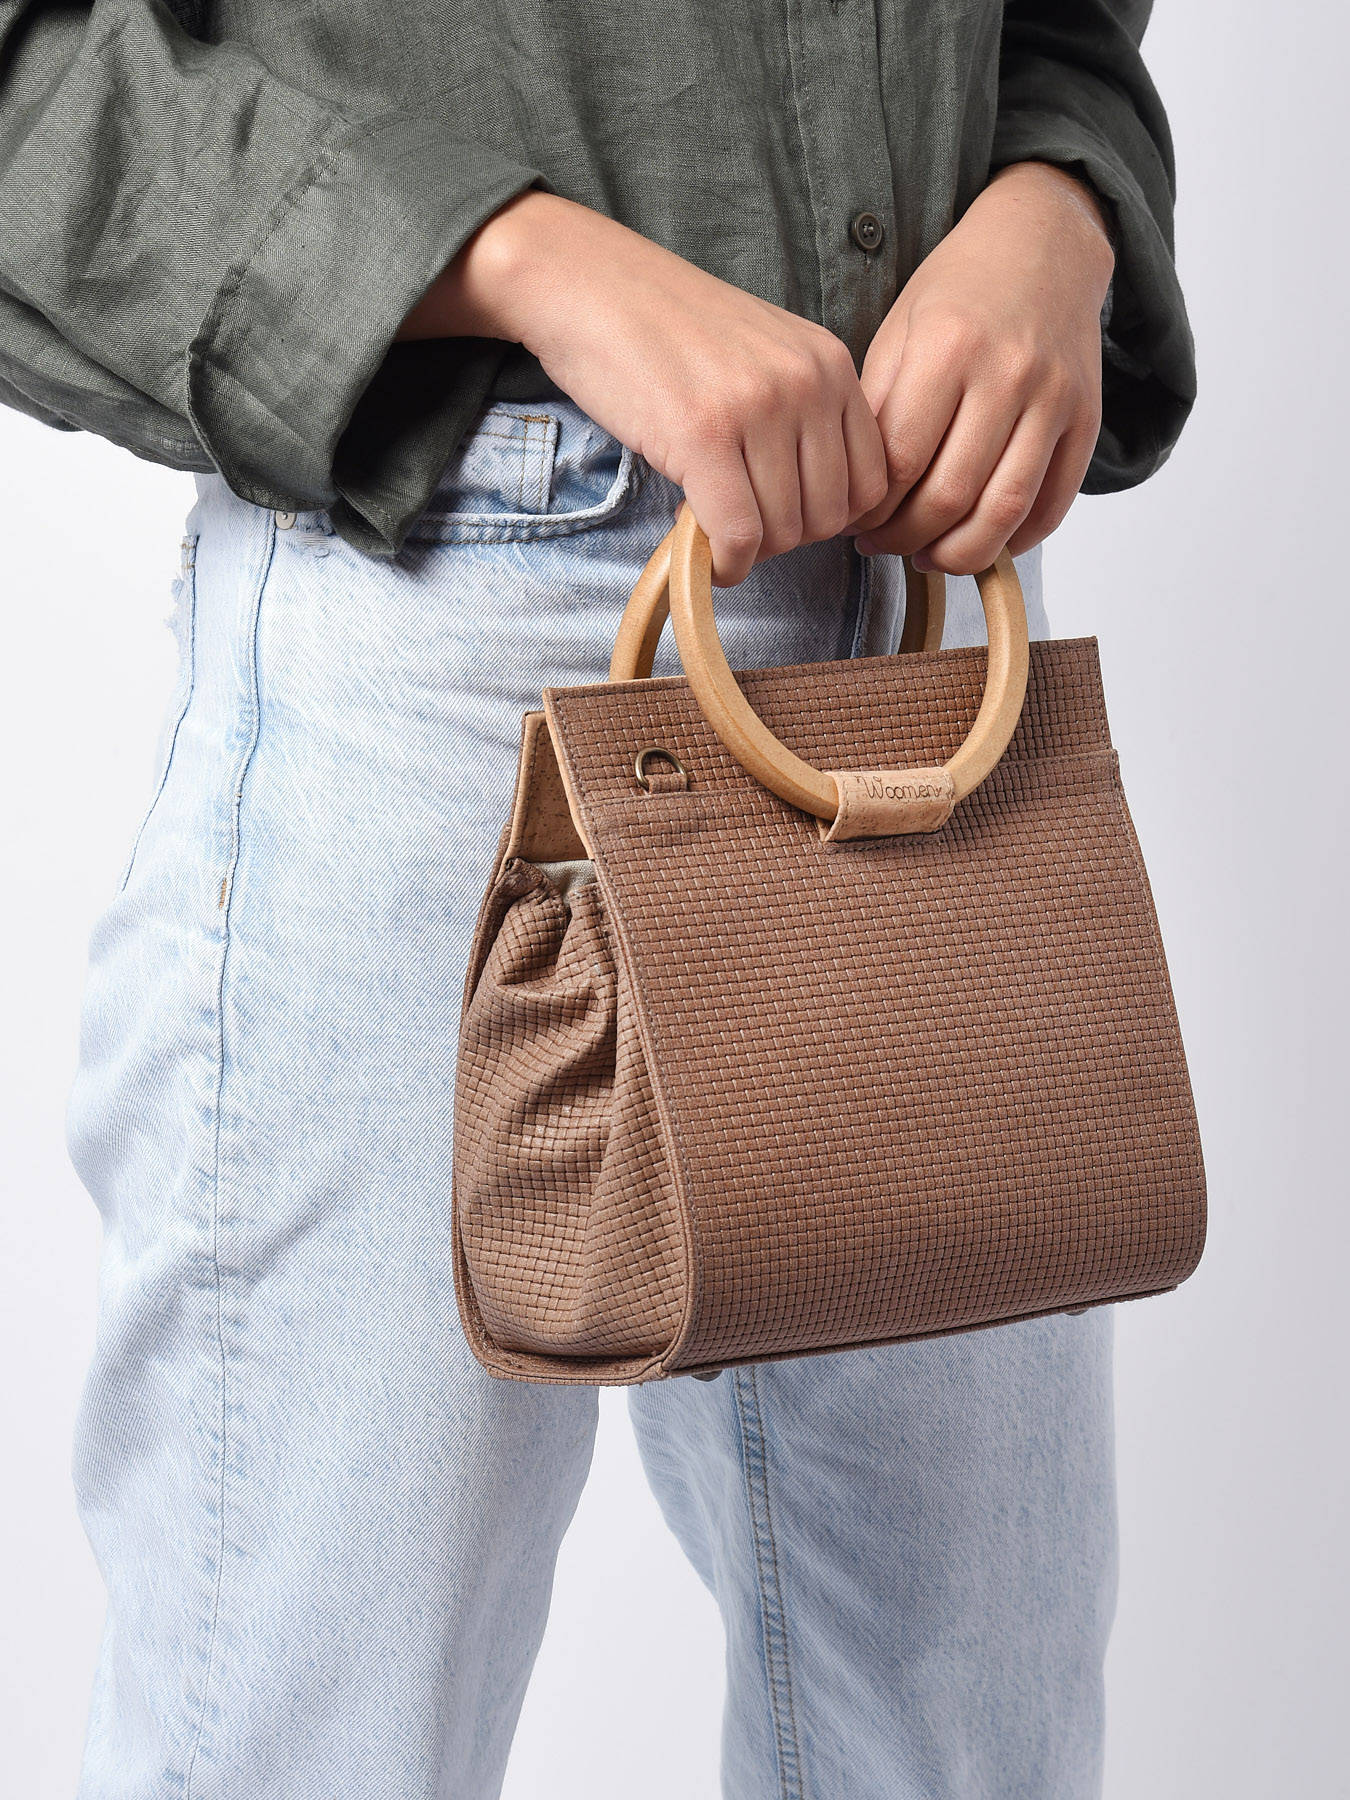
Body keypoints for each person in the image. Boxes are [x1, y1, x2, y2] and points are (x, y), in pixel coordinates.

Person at [0, 1, 1193, 1795]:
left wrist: (1056, 201)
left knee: (969, 1751)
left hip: (922, 640)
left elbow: (1051, 29)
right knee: (318, 1740)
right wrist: (527, 261)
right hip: (449, 599)